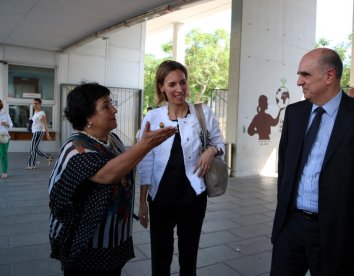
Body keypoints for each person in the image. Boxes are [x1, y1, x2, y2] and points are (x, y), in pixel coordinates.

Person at [270, 48, 354, 275]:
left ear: (329, 76)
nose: (299, 81)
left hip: (342, 232)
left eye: (305, 75)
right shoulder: (294, 113)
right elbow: (285, 168)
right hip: (292, 227)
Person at [48, 83, 176, 276]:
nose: (114, 109)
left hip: (113, 241)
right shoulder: (75, 148)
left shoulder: (113, 140)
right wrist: (146, 144)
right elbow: (108, 174)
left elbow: (126, 166)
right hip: (85, 246)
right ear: (88, 116)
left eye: (112, 104)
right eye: (106, 106)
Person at [137, 60, 225, 275]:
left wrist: (210, 151)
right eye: (172, 84)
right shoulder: (153, 117)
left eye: (183, 83)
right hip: (160, 198)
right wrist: (142, 203)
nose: (179, 89)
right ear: (161, 87)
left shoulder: (202, 112)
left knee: (189, 256)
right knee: (160, 256)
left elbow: (219, 143)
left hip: (193, 196)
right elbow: (145, 160)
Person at [26, 98, 53, 169]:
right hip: (35, 131)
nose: (35, 105)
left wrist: (47, 134)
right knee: (35, 148)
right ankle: (48, 157)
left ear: (40, 104)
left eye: (36, 103)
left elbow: (45, 124)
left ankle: (30, 165)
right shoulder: (35, 112)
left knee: (32, 148)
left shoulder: (41, 113)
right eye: (34, 103)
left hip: (38, 132)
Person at [0, 100, 13, 179]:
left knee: (3, 155)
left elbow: (11, 125)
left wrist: (6, 124)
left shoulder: (5, 114)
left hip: (3, 137)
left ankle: (4, 171)